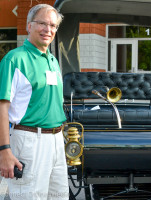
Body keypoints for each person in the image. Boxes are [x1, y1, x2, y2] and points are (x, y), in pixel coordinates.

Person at [0, 4, 69, 200]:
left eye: (53, 25)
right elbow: (1, 108)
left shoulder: (53, 61)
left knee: (59, 197)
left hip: (56, 141)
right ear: (29, 26)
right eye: (42, 23)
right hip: (29, 140)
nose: (48, 30)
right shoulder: (15, 59)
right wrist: (4, 151)